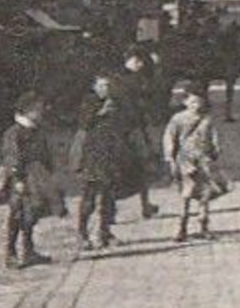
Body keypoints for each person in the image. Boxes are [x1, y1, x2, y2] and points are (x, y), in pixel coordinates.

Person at [0, 92, 61, 269]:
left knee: (32, 214)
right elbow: (13, 156)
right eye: (37, 109)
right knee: (17, 214)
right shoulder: (14, 132)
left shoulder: (37, 130)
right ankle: (10, 253)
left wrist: (48, 173)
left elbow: (45, 154)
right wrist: (18, 179)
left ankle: (29, 249)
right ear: (26, 111)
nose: (41, 112)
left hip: (37, 178)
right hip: (22, 178)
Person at [163, 87, 227, 241]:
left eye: (198, 101)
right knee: (186, 194)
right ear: (185, 102)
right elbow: (169, 138)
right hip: (186, 160)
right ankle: (182, 227)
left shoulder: (207, 119)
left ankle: (204, 226)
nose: (195, 105)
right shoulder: (178, 119)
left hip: (204, 160)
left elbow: (214, 137)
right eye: (192, 102)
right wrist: (170, 157)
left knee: (205, 194)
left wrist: (216, 151)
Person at [74, 73, 128, 250]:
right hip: (91, 158)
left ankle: (105, 232)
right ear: (95, 87)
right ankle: (82, 233)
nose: (106, 89)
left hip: (109, 156)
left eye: (108, 85)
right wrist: (101, 113)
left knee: (107, 197)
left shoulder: (116, 104)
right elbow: (83, 124)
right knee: (88, 197)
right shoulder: (88, 103)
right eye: (102, 85)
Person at [119, 48, 161, 220]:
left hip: (130, 128)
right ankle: (145, 205)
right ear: (127, 61)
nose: (140, 65)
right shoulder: (132, 80)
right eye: (137, 61)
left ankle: (144, 205)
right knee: (142, 165)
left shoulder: (119, 79)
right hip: (133, 129)